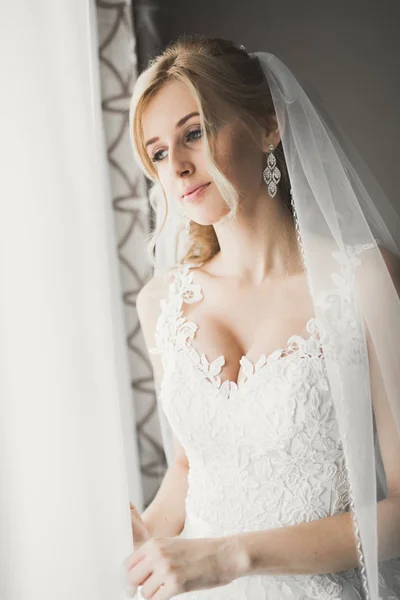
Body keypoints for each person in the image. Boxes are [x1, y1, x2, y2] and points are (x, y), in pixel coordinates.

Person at [124, 35, 400, 599]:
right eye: (156, 152)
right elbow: (186, 469)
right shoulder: (160, 303)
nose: (176, 166)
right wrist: (140, 535)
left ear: (269, 127)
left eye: (194, 133)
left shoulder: (366, 281)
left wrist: (232, 557)